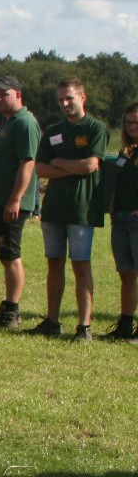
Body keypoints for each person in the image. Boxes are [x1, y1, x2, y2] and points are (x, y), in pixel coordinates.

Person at [30, 78, 108, 341]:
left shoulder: (96, 128)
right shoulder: (53, 130)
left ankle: (84, 326)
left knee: (81, 265)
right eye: (61, 99)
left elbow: (90, 166)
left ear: (82, 97)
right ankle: (52, 320)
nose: (65, 103)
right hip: (54, 208)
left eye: (69, 98)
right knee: (54, 262)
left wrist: (59, 162)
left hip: (81, 210)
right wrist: (72, 166)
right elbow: (40, 169)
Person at [0, 76, 42, 330]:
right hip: (0, 200)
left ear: (18, 94)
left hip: (11, 203)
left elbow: (28, 163)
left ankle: (12, 312)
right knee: (5, 252)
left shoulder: (24, 123)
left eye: (4, 94)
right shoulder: (9, 122)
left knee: (11, 254)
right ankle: (8, 308)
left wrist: (15, 200)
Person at [102, 102, 138, 342]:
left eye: (137, 122)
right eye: (128, 122)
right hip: (121, 218)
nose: (132, 126)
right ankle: (125, 324)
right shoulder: (126, 151)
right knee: (126, 273)